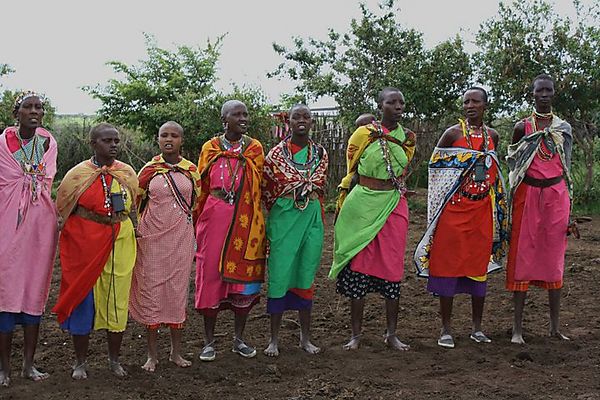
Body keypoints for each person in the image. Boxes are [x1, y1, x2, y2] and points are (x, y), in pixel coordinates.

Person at [414, 87, 508, 349]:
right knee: (447, 266)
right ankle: (446, 329)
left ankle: (477, 328)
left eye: (475, 101)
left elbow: (492, 170)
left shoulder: (493, 136)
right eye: (466, 101)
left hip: (481, 213)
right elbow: (436, 168)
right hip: (453, 212)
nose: (469, 105)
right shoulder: (452, 134)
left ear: (485, 106)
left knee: (478, 268)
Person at [330, 87, 416, 351]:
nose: (398, 106)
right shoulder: (362, 134)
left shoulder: (408, 138)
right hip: (363, 204)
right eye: (392, 102)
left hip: (393, 205)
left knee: (392, 267)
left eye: (401, 102)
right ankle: (356, 335)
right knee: (360, 264)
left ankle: (391, 334)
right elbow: (351, 169)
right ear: (381, 106)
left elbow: (402, 172)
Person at [53, 123, 138, 379]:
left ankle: (114, 360)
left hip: (120, 240)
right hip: (85, 243)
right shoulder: (77, 174)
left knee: (117, 300)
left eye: (116, 140)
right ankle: (80, 362)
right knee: (83, 299)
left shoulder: (127, 172)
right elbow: (64, 209)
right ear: (93, 144)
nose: (113, 145)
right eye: (106, 141)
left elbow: (133, 207)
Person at [195, 100, 266, 361]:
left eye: (246, 114)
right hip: (214, 216)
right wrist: (197, 223)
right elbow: (200, 186)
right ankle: (208, 342)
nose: (243, 118)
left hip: (246, 220)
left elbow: (260, 184)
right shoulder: (210, 148)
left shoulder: (254, 148)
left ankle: (239, 339)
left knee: (243, 282)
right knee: (210, 275)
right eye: (237, 114)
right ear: (224, 120)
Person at [506, 74, 574, 344]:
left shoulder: (563, 128)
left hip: (556, 196)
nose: (544, 95)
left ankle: (554, 327)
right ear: (532, 95)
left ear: (554, 94)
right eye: (539, 91)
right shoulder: (522, 127)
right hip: (527, 194)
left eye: (548, 90)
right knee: (523, 257)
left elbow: (567, 165)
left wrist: (569, 203)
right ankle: (517, 329)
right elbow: (513, 162)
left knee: (554, 259)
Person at [129, 121, 200, 372]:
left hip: (180, 237)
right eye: (164, 135)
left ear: (182, 140)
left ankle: (176, 353)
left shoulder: (191, 170)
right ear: (158, 140)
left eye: (174, 135)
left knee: (177, 292)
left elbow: (196, 204)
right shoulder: (148, 170)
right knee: (152, 290)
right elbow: (136, 201)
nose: (169, 139)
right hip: (152, 238)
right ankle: (152, 355)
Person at [0, 91, 58, 386]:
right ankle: (3, 369)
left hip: (39, 224)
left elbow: (44, 180)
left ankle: (28, 365)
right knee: (7, 289)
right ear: (17, 112)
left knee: (35, 289)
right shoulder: (2, 143)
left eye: (39, 107)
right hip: (7, 225)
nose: (34, 111)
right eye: (28, 107)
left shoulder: (48, 143)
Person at [262, 104, 328, 357]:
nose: (301, 121)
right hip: (284, 218)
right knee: (279, 274)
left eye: (306, 117)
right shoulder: (275, 156)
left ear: (312, 122)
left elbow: (321, 186)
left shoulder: (320, 153)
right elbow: (267, 189)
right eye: (296, 117)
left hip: (311, 217)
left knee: (306, 273)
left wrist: (306, 196)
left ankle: (305, 338)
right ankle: (273, 340)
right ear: (287, 121)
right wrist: (288, 201)